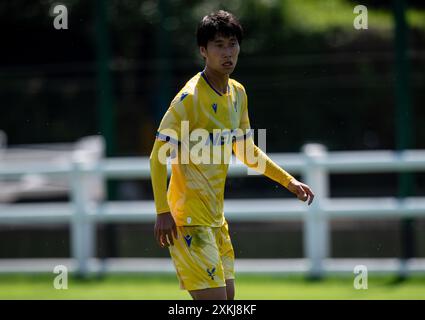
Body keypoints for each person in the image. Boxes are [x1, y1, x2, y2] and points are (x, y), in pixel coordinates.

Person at [149, 10, 314, 300]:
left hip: (216, 221)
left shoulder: (238, 93)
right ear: (203, 50)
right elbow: (156, 157)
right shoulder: (189, 98)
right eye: (219, 45)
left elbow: (246, 151)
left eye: (233, 43)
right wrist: (163, 211)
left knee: (229, 298)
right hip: (188, 222)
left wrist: (289, 182)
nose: (228, 52)